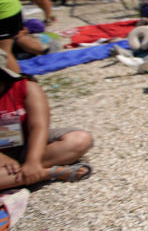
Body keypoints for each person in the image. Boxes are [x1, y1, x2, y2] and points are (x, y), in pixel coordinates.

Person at [0, 50, 93, 191]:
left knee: (80, 140)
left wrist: (33, 161)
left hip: (26, 145)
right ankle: (45, 173)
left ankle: (22, 173)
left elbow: (38, 126)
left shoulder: (26, 88)